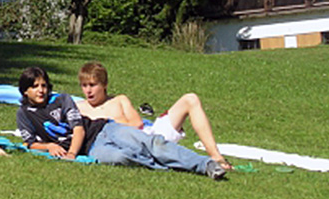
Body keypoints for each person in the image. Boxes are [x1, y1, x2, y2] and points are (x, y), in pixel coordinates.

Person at [75, 61, 231, 177]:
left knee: (191, 99)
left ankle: (215, 156)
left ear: (104, 84)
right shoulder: (79, 107)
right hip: (118, 147)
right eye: (84, 85)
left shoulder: (119, 100)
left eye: (92, 85)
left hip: (148, 135)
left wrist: (110, 123)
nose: (88, 90)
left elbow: (137, 123)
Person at [15, 66, 85, 159]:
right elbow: (30, 143)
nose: (41, 90)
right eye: (35, 86)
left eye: (44, 85)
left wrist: (72, 153)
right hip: (64, 145)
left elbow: (79, 129)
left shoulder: (62, 100)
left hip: (92, 137)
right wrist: (49, 146)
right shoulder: (23, 113)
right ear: (25, 91)